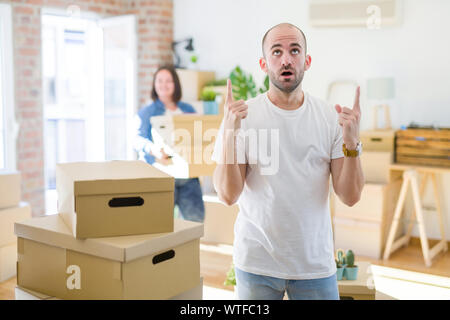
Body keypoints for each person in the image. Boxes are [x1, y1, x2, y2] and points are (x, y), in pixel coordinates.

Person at [212, 23, 364, 300]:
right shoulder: (242, 116)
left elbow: (350, 196)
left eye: (294, 51)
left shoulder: (330, 117)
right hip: (256, 264)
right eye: (277, 51)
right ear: (264, 62)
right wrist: (229, 136)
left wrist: (352, 144)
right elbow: (227, 195)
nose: (286, 59)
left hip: (314, 266)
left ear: (306, 61)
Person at [134, 65, 205, 223]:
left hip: (189, 176)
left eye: (168, 81)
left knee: (195, 222)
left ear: (175, 84)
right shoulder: (147, 112)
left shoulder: (188, 109)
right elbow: (138, 140)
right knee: (159, 223)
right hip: (161, 174)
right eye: (159, 81)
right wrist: (153, 149)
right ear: (154, 84)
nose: (164, 85)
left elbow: (197, 136)